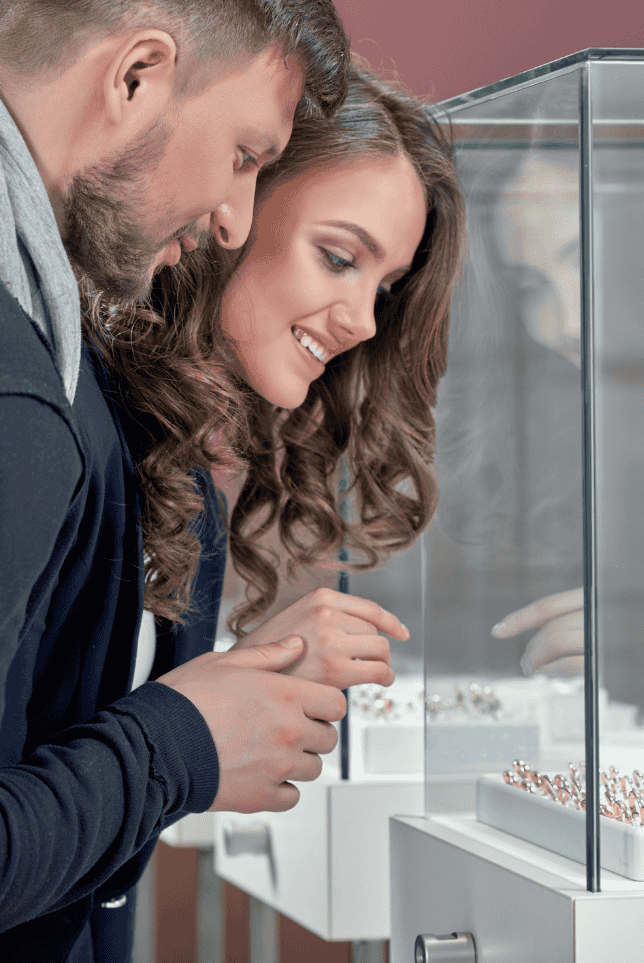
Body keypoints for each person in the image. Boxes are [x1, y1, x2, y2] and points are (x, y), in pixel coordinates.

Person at [0, 2, 350, 959]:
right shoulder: (27, 401)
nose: (234, 220)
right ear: (136, 76)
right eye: (245, 155)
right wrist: (179, 741)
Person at [95, 64, 465, 698]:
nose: (365, 323)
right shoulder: (67, 421)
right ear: (234, 200)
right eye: (340, 259)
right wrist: (197, 721)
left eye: (385, 289)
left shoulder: (186, 490)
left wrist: (238, 683)